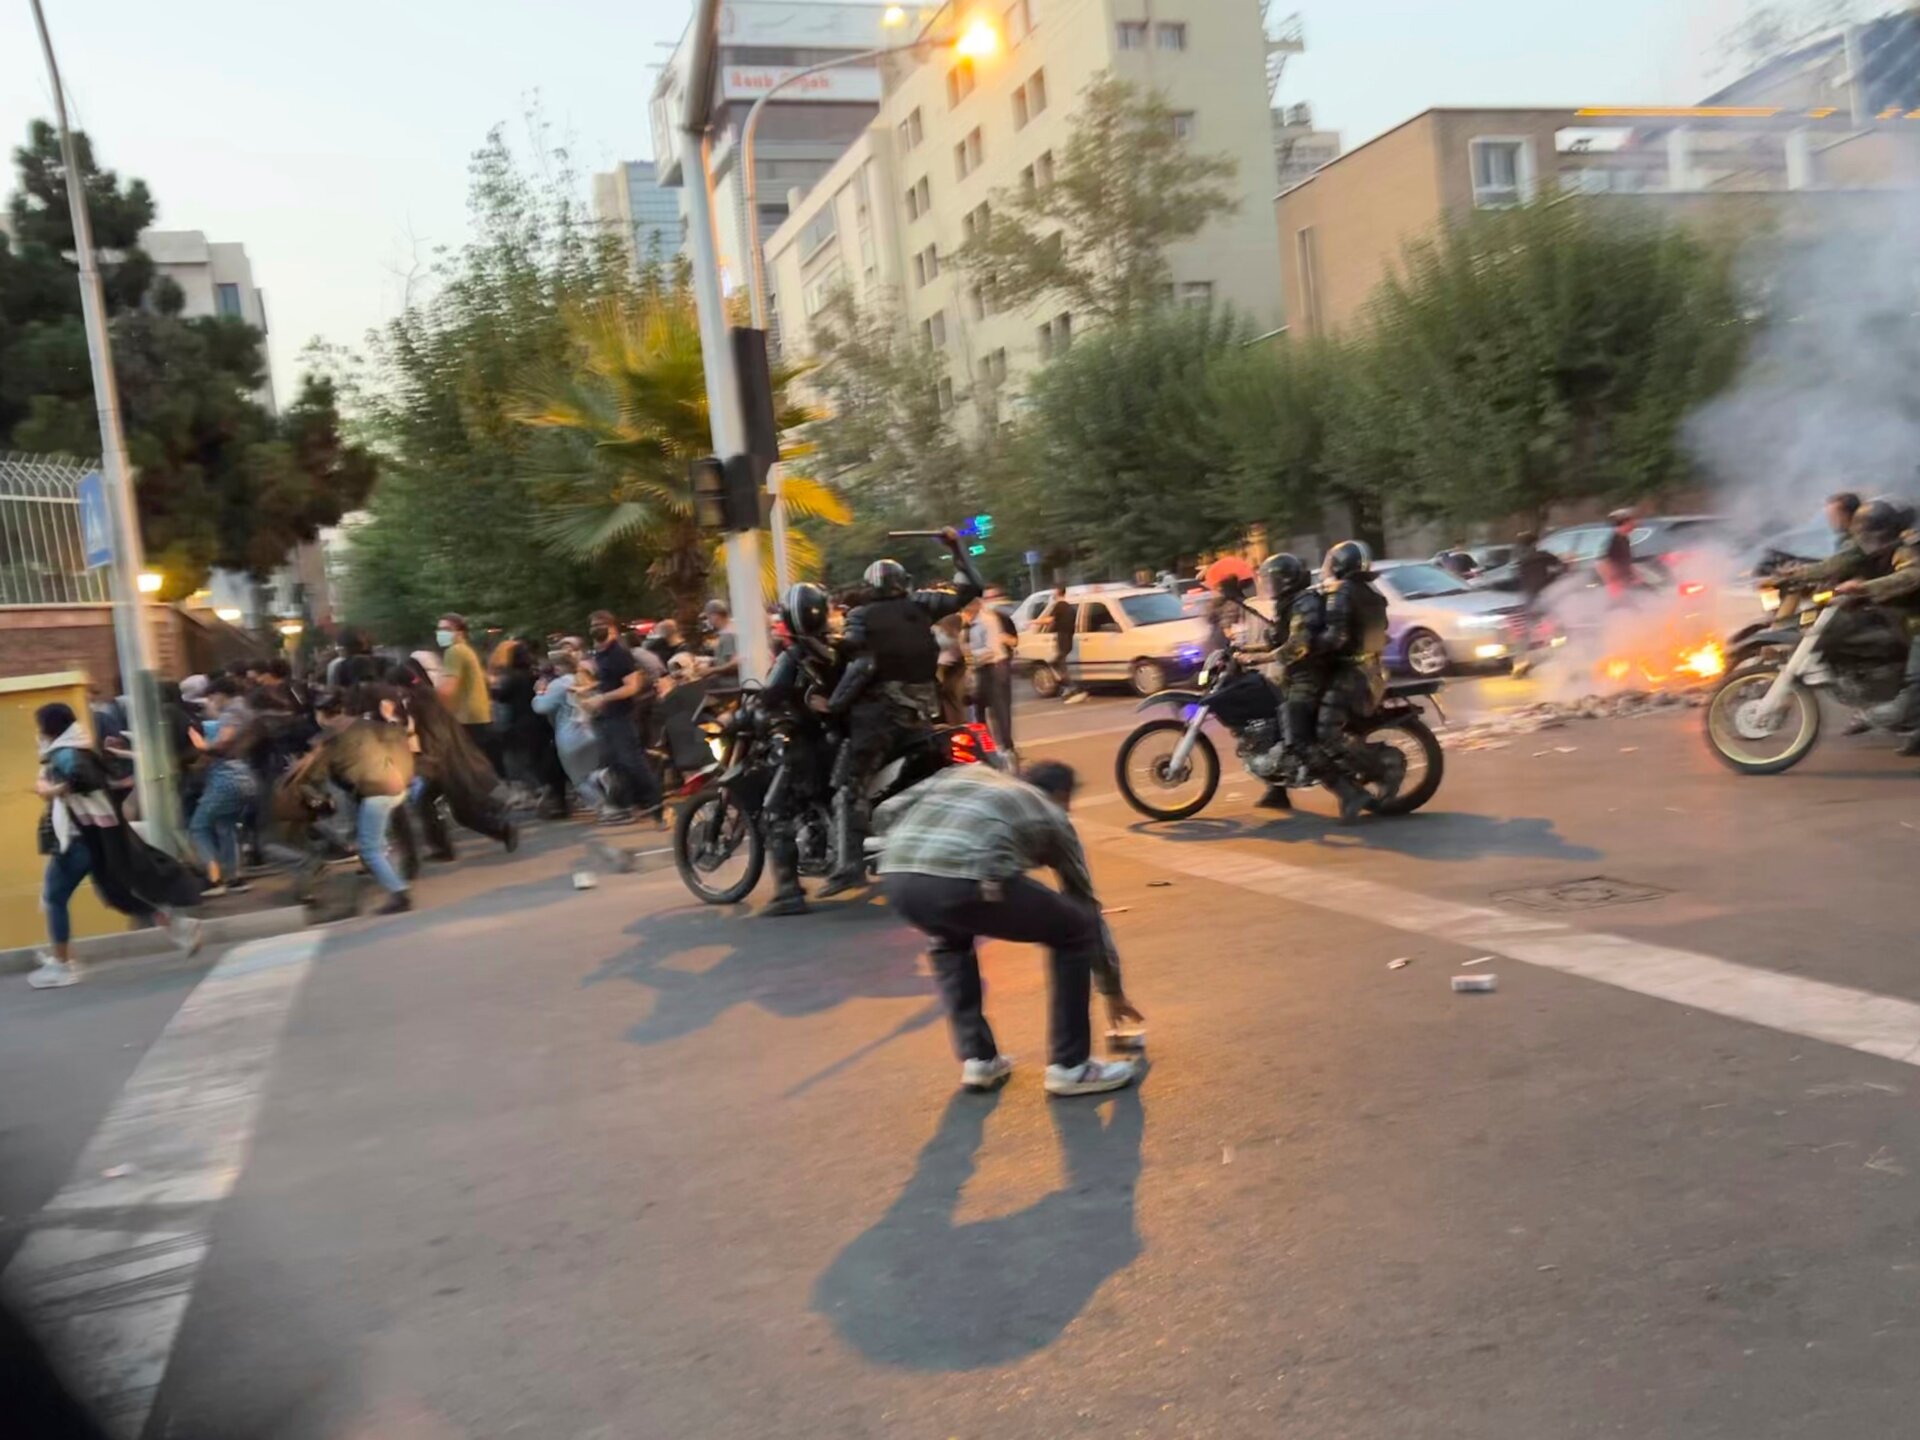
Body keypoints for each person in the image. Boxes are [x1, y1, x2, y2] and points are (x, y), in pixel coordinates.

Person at [878, 760, 1144, 1096]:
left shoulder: (965, 774)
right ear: (1063, 796)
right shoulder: (1052, 814)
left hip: (899, 879)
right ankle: (1071, 1066)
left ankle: (980, 1060)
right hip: (971, 879)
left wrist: (896, 850)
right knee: (1074, 929)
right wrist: (1113, 990)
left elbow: (889, 808)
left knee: (950, 939)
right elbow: (1086, 907)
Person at [822, 530, 984, 894]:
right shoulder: (922, 606)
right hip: (923, 715)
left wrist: (833, 699)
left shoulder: (861, 617)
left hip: (878, 720)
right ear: (902, 583)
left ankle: (849, 866)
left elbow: (852, 658)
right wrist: (957, 548)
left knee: (848, 787)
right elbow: (972, 588)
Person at [32, 702, 202, 988]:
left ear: (50, 728)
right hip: (91, 839)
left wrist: (51, 791)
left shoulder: (65, 754)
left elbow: (82, 779)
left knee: (54, 897)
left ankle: (63, 965)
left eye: (41, 727)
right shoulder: (78, 746)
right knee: (117, 892)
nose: (39, 733)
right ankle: (180, 927)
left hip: (76, 841)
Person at [758, 582, 845, 916]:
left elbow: (772, 696)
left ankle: (788, 893)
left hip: (811, 747)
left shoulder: (793, 654)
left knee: (775, 810)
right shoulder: (838, 647)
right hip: (845, 741)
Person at [1315, 540, 1402, 823]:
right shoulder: (1371, 594)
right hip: (1371, 672)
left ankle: (1382, 767)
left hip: (1350, 676)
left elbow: (1336, 638)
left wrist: (1308, 646)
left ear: (1341, 564)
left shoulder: (1343, 592)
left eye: (1331, 562)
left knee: (1324, 733)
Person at [1834, 504, 1920, 753]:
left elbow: (1911, 577)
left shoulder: (1908, 547)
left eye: (1872, 535)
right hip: (1907, 620)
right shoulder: (1884, 550)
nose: (1869, 542)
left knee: (1914, 691)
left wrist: (1865, 588)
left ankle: (1873, 717)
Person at [578, 610, 662, 825]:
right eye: (593, 625)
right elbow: (609, 680)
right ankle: (630, 805)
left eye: (600, 624)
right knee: (615, 764)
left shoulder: (619, 653)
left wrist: (602, 698)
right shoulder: (602, 654)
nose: (595, 628)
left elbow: (631, 686)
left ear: (612, 628)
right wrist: (591, 689)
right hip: (607, 716)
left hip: (621, 716)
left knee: (632, 761)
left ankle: (656, 805)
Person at [186, 676, 261, 895]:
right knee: (225, 826)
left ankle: (214, 879)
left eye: (211, 697)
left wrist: (201, 746)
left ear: (219, 695)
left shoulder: (229, 714)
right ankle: (234, 877)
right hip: (245, 777)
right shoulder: (245, 709)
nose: (210, 703)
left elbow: (221, 744)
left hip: (226, 781)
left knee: (198, 827)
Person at [1261, 552, 1319, 811]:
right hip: (1294, 673)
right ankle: (1277, 789)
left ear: (1287, 580)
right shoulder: (1288, 603)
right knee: (1269, 719)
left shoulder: (1303, 603)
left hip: (1310, 673)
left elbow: (1299, 645)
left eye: (1274, 580)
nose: (1270, 585)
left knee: (1292, 715)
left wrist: (1266, 655)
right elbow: (1282, 639)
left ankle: (1310, 766)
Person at [533, 651, 608, 815]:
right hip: (591, 732)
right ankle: (602, 779)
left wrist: (539, 692)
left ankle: (602, 807)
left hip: (569, 737)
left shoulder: (559, 684)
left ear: (559, 667)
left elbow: (541, 707)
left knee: (579, 778)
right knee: (593, 769)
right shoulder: (585, 679)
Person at [434, 614, 496, 767]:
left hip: (466, 717)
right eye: (439, 629)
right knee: (482, 763)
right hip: (479, 715)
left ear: (460, 633)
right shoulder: (466, 650)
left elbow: (448, 689)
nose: (441, 633)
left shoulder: (454, 651)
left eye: (447, 629)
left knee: (468, 766)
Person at [966, 588, 1017, 755]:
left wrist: (968, 656)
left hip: (995, 667)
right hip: (979, 669)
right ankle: (986, 748)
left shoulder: (991, 619)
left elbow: (993, 649)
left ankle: (1007, 749)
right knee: (978, 712)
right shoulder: (967, 622)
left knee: (999, 710)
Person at [1597, 509, 1641, 600]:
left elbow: (1625, 560)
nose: (1635, 523)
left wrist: (1634, 574)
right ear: (1625, 522)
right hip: (1619, 584)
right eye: (1632, 520)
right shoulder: (1614, 540)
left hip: (1627, 581)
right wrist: (1614, 583)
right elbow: (1603, 563)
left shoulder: (1624, 539)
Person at [703, 600, 740, 681]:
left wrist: (711, 670)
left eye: (708, 617)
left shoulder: (728, 634)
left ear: (715, 615)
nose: (708, 621)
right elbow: (725, 659)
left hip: (729, 683)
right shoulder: (729, 630)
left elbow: (735, 664)